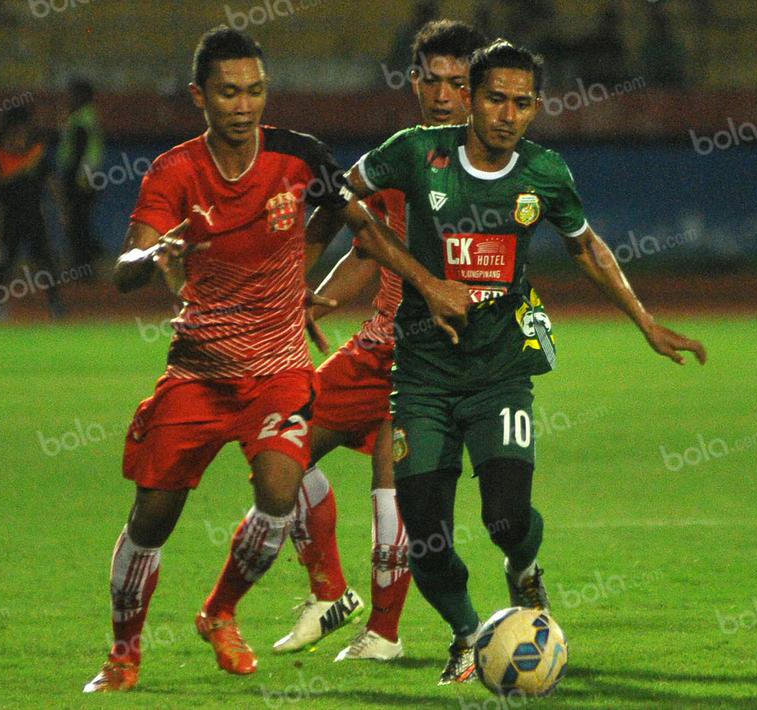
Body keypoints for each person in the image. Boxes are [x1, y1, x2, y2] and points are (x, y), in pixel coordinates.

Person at [81, 26, 470, 692]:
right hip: (198, 374)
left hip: (280, 373)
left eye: (255, 91)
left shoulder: (299, 157)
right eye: (229, 93)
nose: (243, 106)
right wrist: (150, 258)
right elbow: (123, 266)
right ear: (199, 96)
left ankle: (225, 611)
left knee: (281, 491)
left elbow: (360, 226)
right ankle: (123, 654)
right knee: (152, 517)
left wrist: (421, 285)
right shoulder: (174, 171)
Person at [343, 40, 707, 684]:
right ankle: (466, 634)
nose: (508, 115)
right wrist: (425, 283)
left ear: (536, 107)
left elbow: (588, 248)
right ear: (469, 101)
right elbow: (346, 202)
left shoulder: (544, 172)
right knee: (424, 535)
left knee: (506, 518)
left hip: (499, 371)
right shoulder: (414, 153)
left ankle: (523, 569)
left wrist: (644, 320)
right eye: (495, 100)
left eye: (522, 103)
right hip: (422, 375)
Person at [272, 19, 488, 663]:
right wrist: (321, 293)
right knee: (280, 453)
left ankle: (386, 636)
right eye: (434, 80)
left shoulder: (503, 165)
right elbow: (368, 239)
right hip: (375, 347)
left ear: (477, 89)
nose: (445, 95)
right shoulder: (400, 156)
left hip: (434, 357)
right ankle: (331, 594)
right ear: (414, 81)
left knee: (394, 491)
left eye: (459, 82)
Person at [0, 105, 66, 320]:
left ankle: (55, 304)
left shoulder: (37, 156)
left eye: (22, 132)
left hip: (35, 215)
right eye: (14, 132)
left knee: (45, 260)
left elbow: (53, 184)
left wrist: (62, 211)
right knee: (2, 263)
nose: (19, 136)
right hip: (6, 216)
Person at [56, 78, 104, 274]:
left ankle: (83, 263)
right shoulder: (89, 117)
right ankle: (88, 258)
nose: (69, 99)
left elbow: (78, 151)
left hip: (79, 178)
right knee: (81, 221)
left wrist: (68, 178)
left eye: (73, 95)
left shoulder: (81, 120)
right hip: (88, 176)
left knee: (76, 222)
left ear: (83, 97)